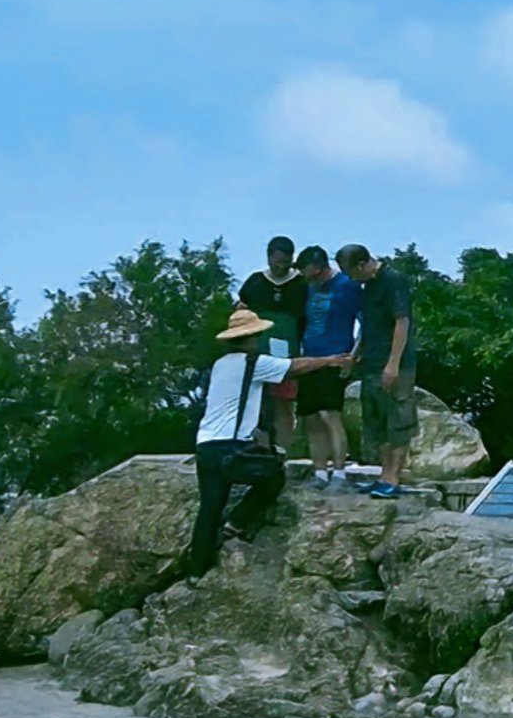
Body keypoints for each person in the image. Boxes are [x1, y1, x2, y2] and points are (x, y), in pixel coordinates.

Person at [156, 306, 319, 589]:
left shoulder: (219, 365)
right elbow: (295, 367)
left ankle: (197, 571)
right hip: (231, 447)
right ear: (252, 337)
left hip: (206, 445)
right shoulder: (254, 363)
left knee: (209, 508)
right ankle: (238, 522)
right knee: (273, 478)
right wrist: (332, 361)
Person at [338, 244, 417, 499]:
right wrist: (354, 354)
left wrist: (393, 363)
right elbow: (367, 326)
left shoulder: (393, 280)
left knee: (398, 420)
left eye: (352, 272)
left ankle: (394, 478)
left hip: (395, 363)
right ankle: (383, 475)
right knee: (377, 421)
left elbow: (402, 321)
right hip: (370, 362)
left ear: (362, 264)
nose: (352, 279)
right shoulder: (367, 287)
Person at [295, 245, 360, 487]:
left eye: (314, 275)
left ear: (323, 268)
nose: (311, 280)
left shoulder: (346, 286)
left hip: (337, 355)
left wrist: (353, 357)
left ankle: (340, 471)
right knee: (311, 417)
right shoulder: (308, 287)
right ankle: (320, 470)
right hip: (310, 356)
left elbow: (365, 322)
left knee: (329, 414)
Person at [238, 236, 308, 449]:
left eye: (285, 261)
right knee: (254, 404)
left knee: (283, 404)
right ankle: (254, 449)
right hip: (257, 354)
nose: (280, 266)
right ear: (269, 257)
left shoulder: (301, 284)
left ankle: (281, 453)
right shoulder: (255, 282)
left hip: (287, 356)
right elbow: (241, 310)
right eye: (276, 261)